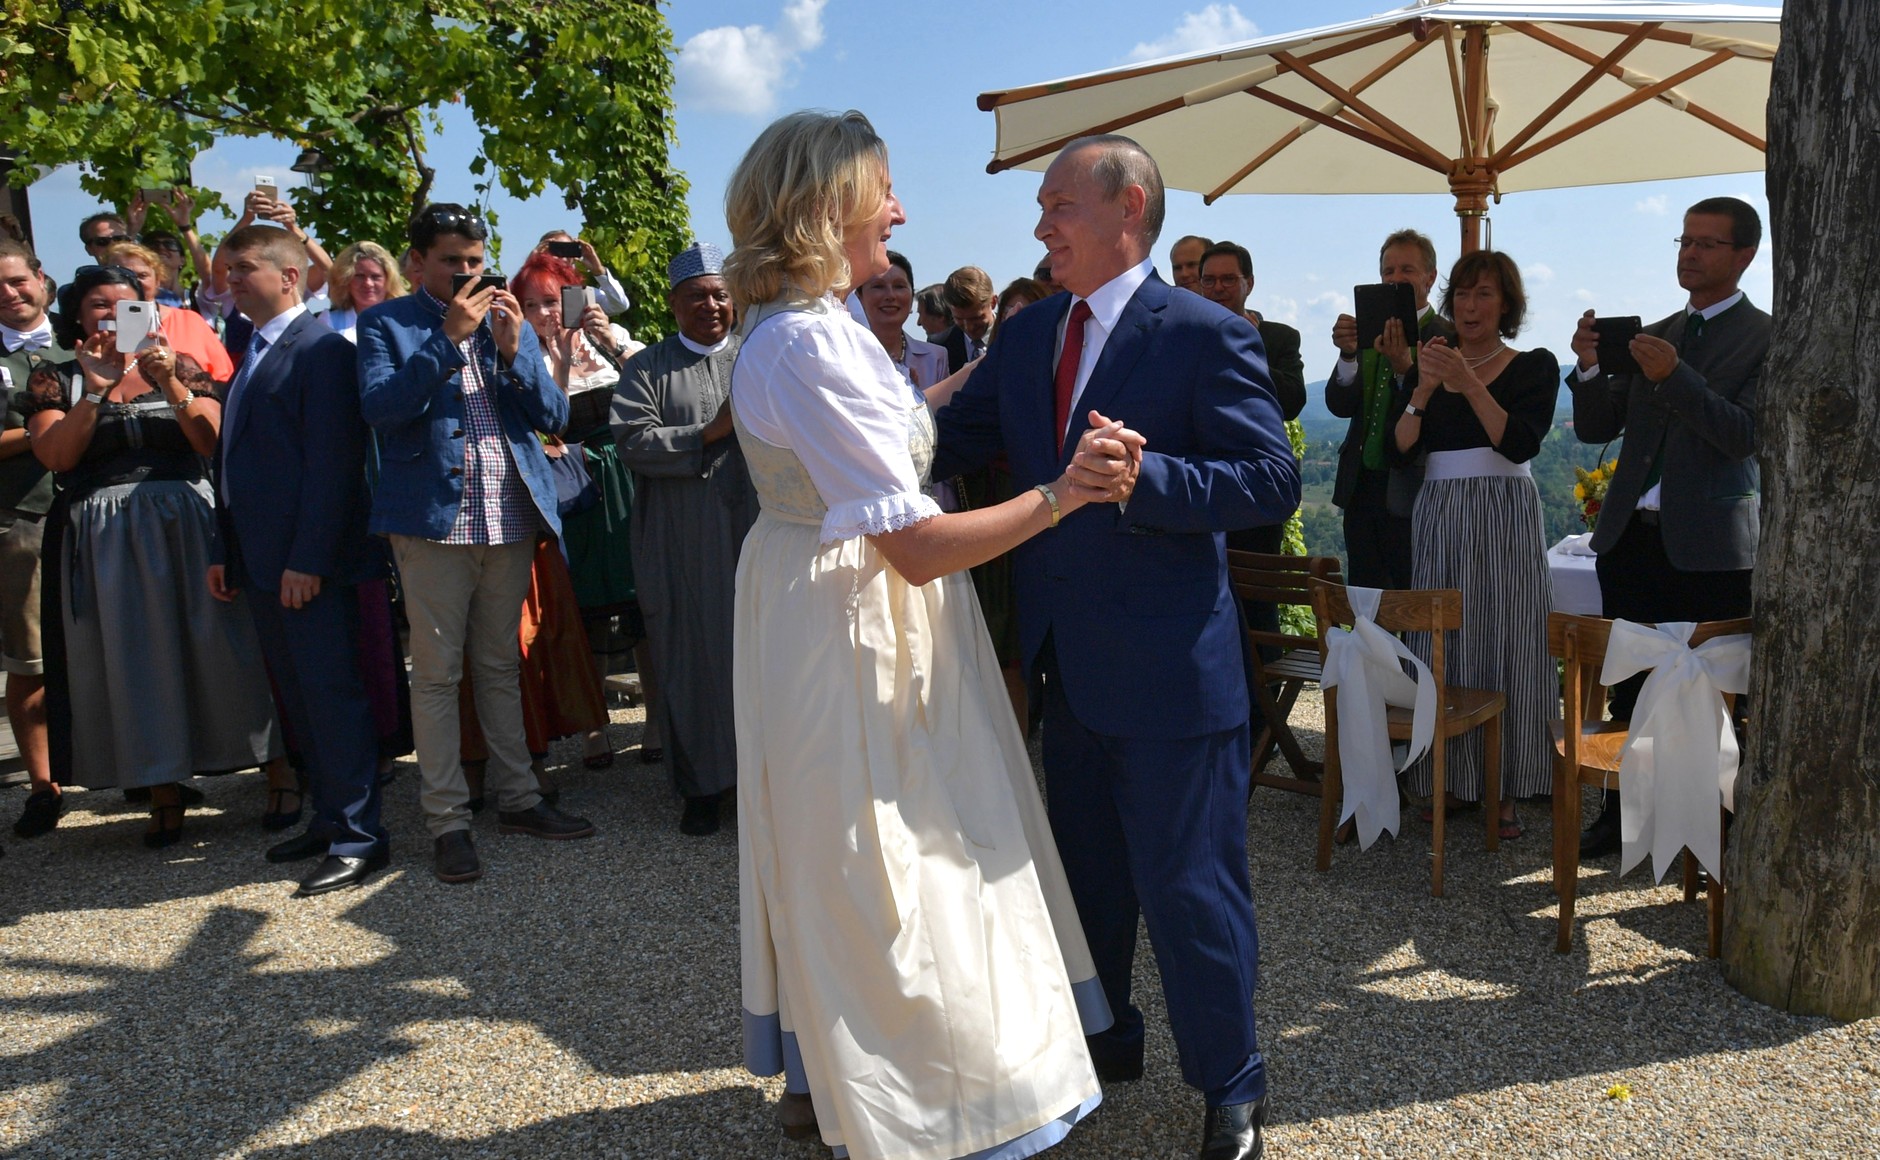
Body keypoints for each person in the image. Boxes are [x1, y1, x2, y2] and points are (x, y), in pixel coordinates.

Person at [726, 109, 1129, 1159]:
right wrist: (1065, 493)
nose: (899, 210)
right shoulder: (809, 341)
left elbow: (888, 438)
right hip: (851, 616)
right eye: (883, 190)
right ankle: (932, 1102)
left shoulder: (804, 325)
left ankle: (837, 1074)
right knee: (888, 852)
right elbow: (910, 544)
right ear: (828, 206)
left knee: (862, 841)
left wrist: (975, 385)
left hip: (825, 590)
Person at [935, 134, 1299, 1160]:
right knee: (1084, 884)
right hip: (1065, 669)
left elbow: (1269, 480)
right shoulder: (1027, 334)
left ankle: (1231, 1083)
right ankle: (1102, 1043)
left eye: (1057, 203)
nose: (1040, 223)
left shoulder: (1204, 333)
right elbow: (950, 443)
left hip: (1172, 676)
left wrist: (1150, 479)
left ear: (1127, 205)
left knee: (1191, 892)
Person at [357, 202, 596, 885]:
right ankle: (447, 822)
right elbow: (381, 410)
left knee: (499, 665)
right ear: (416, 264)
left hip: (510, 515)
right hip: (434, 522)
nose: (467, 273)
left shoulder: (505, 319)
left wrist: (516, 351)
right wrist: (446, 340)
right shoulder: (385, 323)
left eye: (475, 261)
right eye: (451, 262)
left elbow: (553, 416)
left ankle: (518, 798)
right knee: (437, 675)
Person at [19, 264, 287, 847]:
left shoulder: (179, 366)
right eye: (99, 306)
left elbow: (212, 443)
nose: (113, 315)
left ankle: (278, 771)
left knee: (227, 646)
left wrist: (168, 382)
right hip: (103, 534)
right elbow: (58, 457)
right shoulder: (58, 378)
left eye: (126, 304)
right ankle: (162, 788)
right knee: (133, 658)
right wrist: (96, 389)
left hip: (189, 520)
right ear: (77, 316)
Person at [1566, 196, 1768, 858]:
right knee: (1630, 684)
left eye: (1707, 243)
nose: (1690, 253)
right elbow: (1597, 427)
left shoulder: (1768, 337)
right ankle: (1622, 815)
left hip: (1712, 550)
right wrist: (1589, 366)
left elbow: (1743, 436)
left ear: (1744, 255)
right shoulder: (1654, 331)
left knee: (1711, 695)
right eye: (1684, 240)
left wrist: (1674, 376)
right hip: (1630, 541)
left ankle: (1714, 825)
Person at [208, 224, 390, 895]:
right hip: (262, 562)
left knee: (331, 695)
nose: (230, 280)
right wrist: (226, 550)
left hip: (307, 566)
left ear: (290, 276)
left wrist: (308, 558)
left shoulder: (321, 351)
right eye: (228, 271)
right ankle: (329, 817)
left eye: (243, 269)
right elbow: (237, 461)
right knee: (300, 700)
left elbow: (333, 467)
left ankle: (360, 835)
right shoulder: (254, 349)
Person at [1388, 249, 1558, 840]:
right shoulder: (1432, 361)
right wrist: (1423, 388)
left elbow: (1518, 443)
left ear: (1506, 305)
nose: (1469, 305)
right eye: (1462, 293)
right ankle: (1450, 778)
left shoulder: (1534, 365)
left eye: (1484, 293)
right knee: (1444, 638)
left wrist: (1468, 384)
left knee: (1509, 636)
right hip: (1441, 510)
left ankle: (1505, 786)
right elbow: (1401, 448)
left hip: (1504, 510)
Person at [611, 243, 759, 836]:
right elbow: (632, 442)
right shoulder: (647, 368)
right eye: (697, 295)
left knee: (760, 653)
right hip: (681, 537)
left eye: (721, 294)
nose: (711, 305)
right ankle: (703, 786)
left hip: (757, 527)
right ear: (674, 303)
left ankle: (764, 785)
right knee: (691, 653)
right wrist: (708, 432)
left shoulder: (758, 355)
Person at [500, 250, 633, 775]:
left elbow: (651, 386)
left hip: (623, 479)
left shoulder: (606, 340)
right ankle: (593, 727)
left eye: (553, 301)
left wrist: (606, 340)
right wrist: (554, 359)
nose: (544, 313)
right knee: (581, 607)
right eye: (531, 304)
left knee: (640, 597)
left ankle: (658, 723)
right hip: (567, 490)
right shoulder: (519, 355)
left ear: (574, 298)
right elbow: (548, 419)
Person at [1328, 229, 1454, 589]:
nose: (1395, 279)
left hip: (1414, 489)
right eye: (1388, 271)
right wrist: (1348, 355)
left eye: (1407, 270)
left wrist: (1404, 368)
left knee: (1411, 595)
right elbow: (1340, 405)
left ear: (1430, 277)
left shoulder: (1445, 335)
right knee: (1364, 597)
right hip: (1361, 489)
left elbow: (1443, 416)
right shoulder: (1369, 329)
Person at [0, 239, 64, 840]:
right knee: (30, 659)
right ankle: (43, 786)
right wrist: (43, 429)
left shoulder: (83, 337)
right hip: (22, 518)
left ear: (41, 278)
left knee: (107, 644)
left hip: (95, 512)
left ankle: (135, 769)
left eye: (17, 280)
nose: (9, 293)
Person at [1196, 241, 1305, 418]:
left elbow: (1292, 404)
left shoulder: (1280, 337)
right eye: (1209, 280)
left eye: (1228, 279)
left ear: (1249, 284)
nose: (1218, 287)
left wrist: (1248, 352)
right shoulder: (1185, 335)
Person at [100, 240, 233, 383]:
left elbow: (224, 378)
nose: (134, 282)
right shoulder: (97, 323)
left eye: (142, 275)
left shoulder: (190, 322)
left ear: (157, 281)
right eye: (123, 275)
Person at [857, 250, 949, 394]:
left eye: (899, 286)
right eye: (878, 286)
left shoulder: (935, 357)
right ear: (859, 297)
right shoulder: (845, 354)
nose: (890, 295)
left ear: (912, 296)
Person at [127, 190, 214, 311]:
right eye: (152, 246)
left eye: (169, 244)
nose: (161, 248)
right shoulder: (136, 297)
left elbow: (210, 275)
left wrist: (185, 226)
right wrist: (132, 230)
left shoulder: (198, 297)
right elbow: (117, 272)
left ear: (182, 260)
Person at [532, 230, 634, 317]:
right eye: (556, 250)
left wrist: (599, 271)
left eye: (568, 250)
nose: (563, 257)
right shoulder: (530, 289)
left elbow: (619, 305)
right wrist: (532, 262)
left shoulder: (581, 293)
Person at [320, 242, 409, 342]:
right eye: (360, 276)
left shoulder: (405, 321)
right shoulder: (330, 321)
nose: (368, 283)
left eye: (375, 277)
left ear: (389, 280)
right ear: (346, 280)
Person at [940, 264, 995, 371]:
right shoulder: (941, 346)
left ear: (993, 302)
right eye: (959, 319)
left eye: (976, 318)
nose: (969, 327)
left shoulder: (1014, 336)